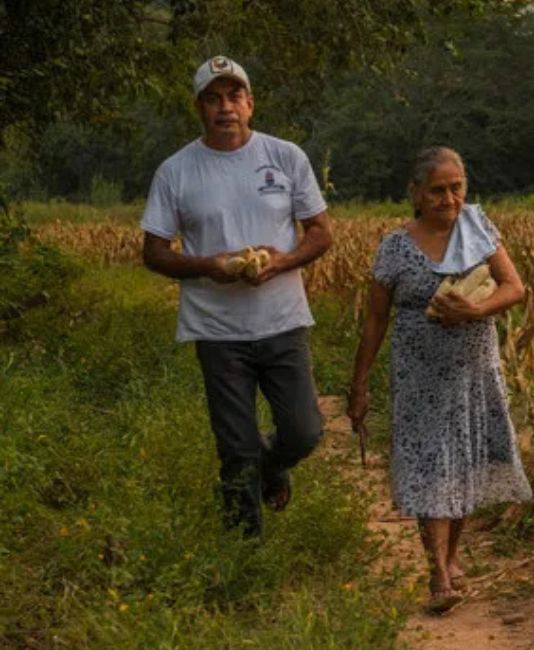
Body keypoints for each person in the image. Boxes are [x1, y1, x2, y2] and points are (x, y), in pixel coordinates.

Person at [140, 56, 334, 537]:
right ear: (199, 108)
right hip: (217, 330)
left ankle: (274, 465)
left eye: (233, 96)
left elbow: (320, 233)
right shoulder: (176, 171)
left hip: (283, 321)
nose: (225, 107)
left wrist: (280, 262)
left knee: (304, 431)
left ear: (250, 103)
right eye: (213, 98)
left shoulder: (286, 157)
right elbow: (154, 252)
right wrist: (212, 266)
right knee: (235, 448)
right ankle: (243, 555)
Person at [348, 146, 532, 612]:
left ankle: (450, 557)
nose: (449, 199)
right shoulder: (394, 247)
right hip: (419, 376)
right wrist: (360, 383)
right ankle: (437, 572)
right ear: (415, 193)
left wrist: (476, 309)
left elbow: (515, 287)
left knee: (464, 463)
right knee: (432, 465)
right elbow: (374, 319)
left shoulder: (479, 228)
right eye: (437, 190)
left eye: (456, 188)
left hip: (473, 372)